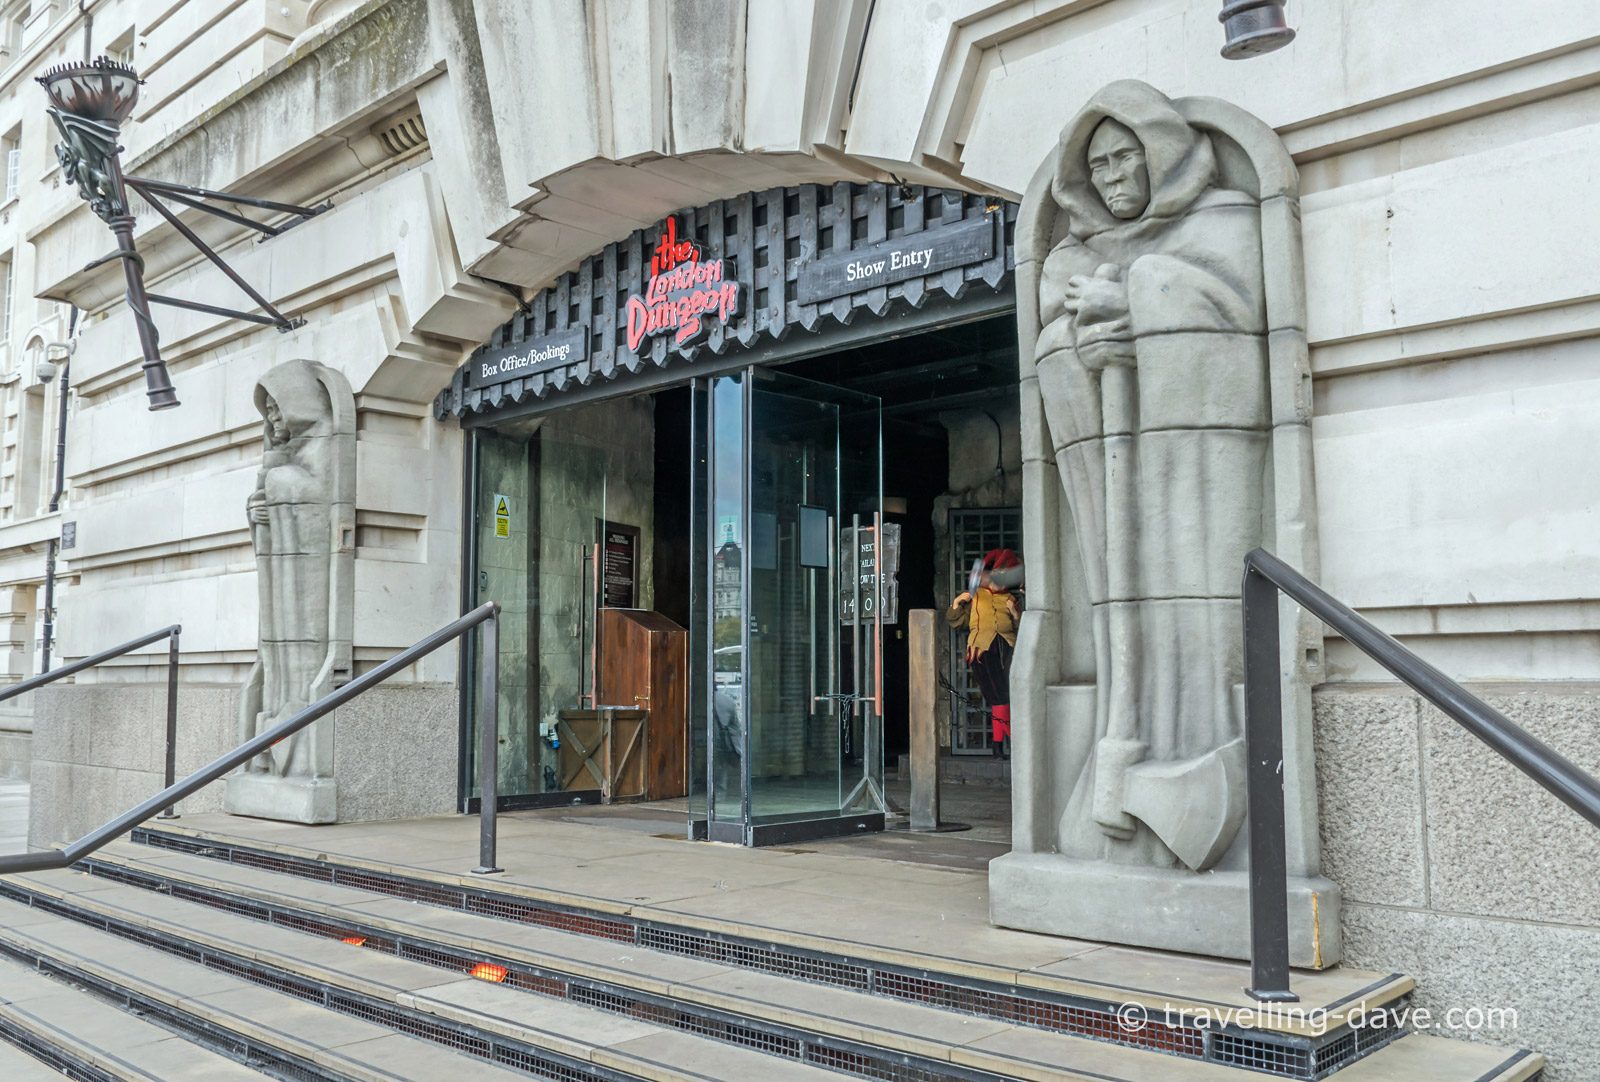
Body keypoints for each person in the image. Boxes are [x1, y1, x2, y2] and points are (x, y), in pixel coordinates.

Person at [946, 549, 1023, 758]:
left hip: (1008, 647)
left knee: (1004, 697)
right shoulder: (975, 595)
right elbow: (958, 622)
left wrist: (1016, 614)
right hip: (983, 649)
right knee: (999, 697)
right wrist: (956, 604)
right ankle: (1018, 744)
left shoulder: (1010, 598)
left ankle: (998, 747)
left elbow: (1022, 629)